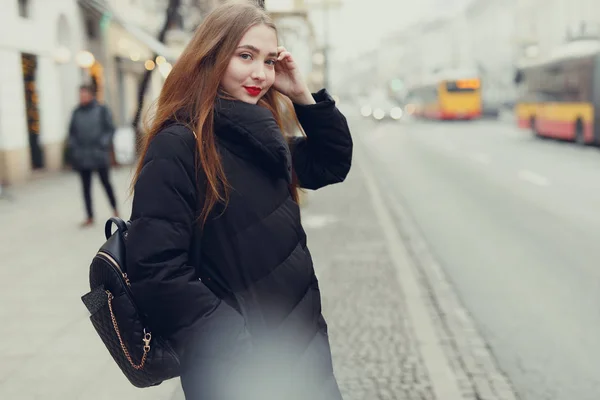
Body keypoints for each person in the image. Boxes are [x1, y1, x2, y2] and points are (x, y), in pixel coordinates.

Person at [126, 2, 352, 399]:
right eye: (245, 56)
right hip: (239, 369)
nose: (260, 74)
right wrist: (235, 344)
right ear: (210, 56)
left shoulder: (262, 137)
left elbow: (331, 163)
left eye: (268, 61)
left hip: (300, 350)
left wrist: (301, 94)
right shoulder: (179, 145)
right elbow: (156, 268)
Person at [68, 84, 118, 227]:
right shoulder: (76, 112)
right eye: (80, 95)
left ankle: (115, 209)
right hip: (83, 155)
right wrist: (75, 148)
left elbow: (110, 129)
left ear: (91, 95)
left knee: (106, 183)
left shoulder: (101, 110)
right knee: (85, 188)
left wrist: (103, 143)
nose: (82, 97)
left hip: (98, 154)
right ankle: (89, 216)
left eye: (84, 94)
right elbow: (72, 133)